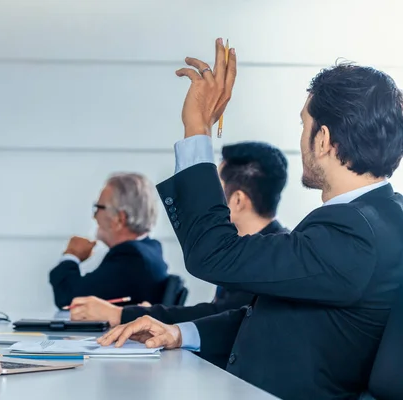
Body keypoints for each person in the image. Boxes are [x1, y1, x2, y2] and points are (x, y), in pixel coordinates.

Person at [99, 39, 403, 400]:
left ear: (323, 139)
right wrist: (181, 333)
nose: (302, 137)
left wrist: (197, 129)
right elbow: (281, 319)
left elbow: (213, 253)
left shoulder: (354, 232)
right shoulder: (378, 218)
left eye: (304, 125)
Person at [68, 141, 290, 327]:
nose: (206, 199)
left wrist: (121, 315)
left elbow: (222, 316)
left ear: (238, 201)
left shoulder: (271, 257)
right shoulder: (256, 247)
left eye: (214, 189)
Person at [49, 173, 169, 309]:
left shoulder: (131, 256)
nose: (94, 216)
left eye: (99, 208)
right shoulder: (151, 248)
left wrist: (71, 255)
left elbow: (68, 298)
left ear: (119, 218)